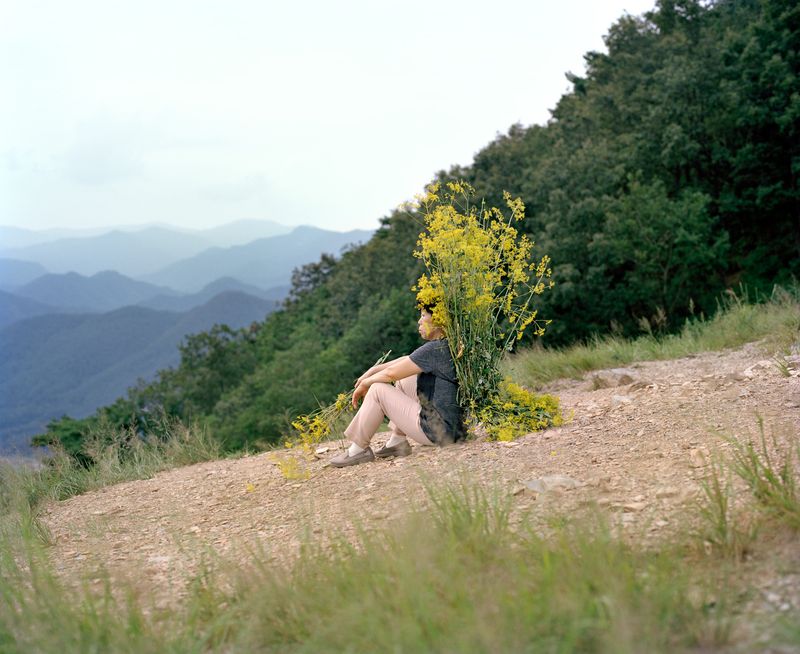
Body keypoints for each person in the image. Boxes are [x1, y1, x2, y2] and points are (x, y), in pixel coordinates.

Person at [328, 305, 464, 468]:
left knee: (378, 389)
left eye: (423, 316)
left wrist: (366, 383)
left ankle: (358, 450)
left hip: (438, 432)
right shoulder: (447, 344)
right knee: (406, 377)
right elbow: (406, 361)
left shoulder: (435, 348)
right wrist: (373, 370)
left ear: (437, 320)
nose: (419, 321)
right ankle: (397, 442)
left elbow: (391, 374)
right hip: (454, 430)